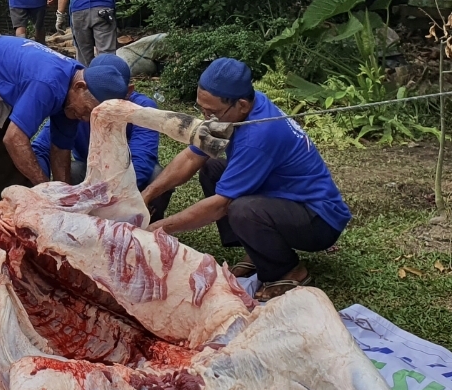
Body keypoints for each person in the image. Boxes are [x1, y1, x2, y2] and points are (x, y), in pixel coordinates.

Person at [140, 57, 351, 301]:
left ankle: (289, 271)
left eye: (213, 112)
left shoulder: (259, 136)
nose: (207, 117)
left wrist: (157, 229)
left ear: (241, 105)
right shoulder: (242, 107)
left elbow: (219, 206)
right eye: (202, 109)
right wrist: (148, 194)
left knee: (240, 209)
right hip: (284, 199)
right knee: (212, 166)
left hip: (319, 220)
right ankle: (258, 250)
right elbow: (191, 157)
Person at [0, 30, 110, 224]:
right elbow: (14, 138)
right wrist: (45, 191)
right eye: (86, 111)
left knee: (4, 168)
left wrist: (63, 201)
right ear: (80, 87)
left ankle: (5, 230)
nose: (85, 119)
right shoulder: (48, 83)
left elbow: (61, 152)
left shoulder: (73, 97)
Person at [30, 54, 173, 220]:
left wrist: (111, 198)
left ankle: (147, 227)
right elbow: (40, 148)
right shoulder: (76, 107)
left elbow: (143, 157)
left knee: (156, 175)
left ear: (127, 92)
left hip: (128, 175)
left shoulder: (141, 108)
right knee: (74, 170)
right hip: (92, 175)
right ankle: (86, 221)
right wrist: (44, 189)